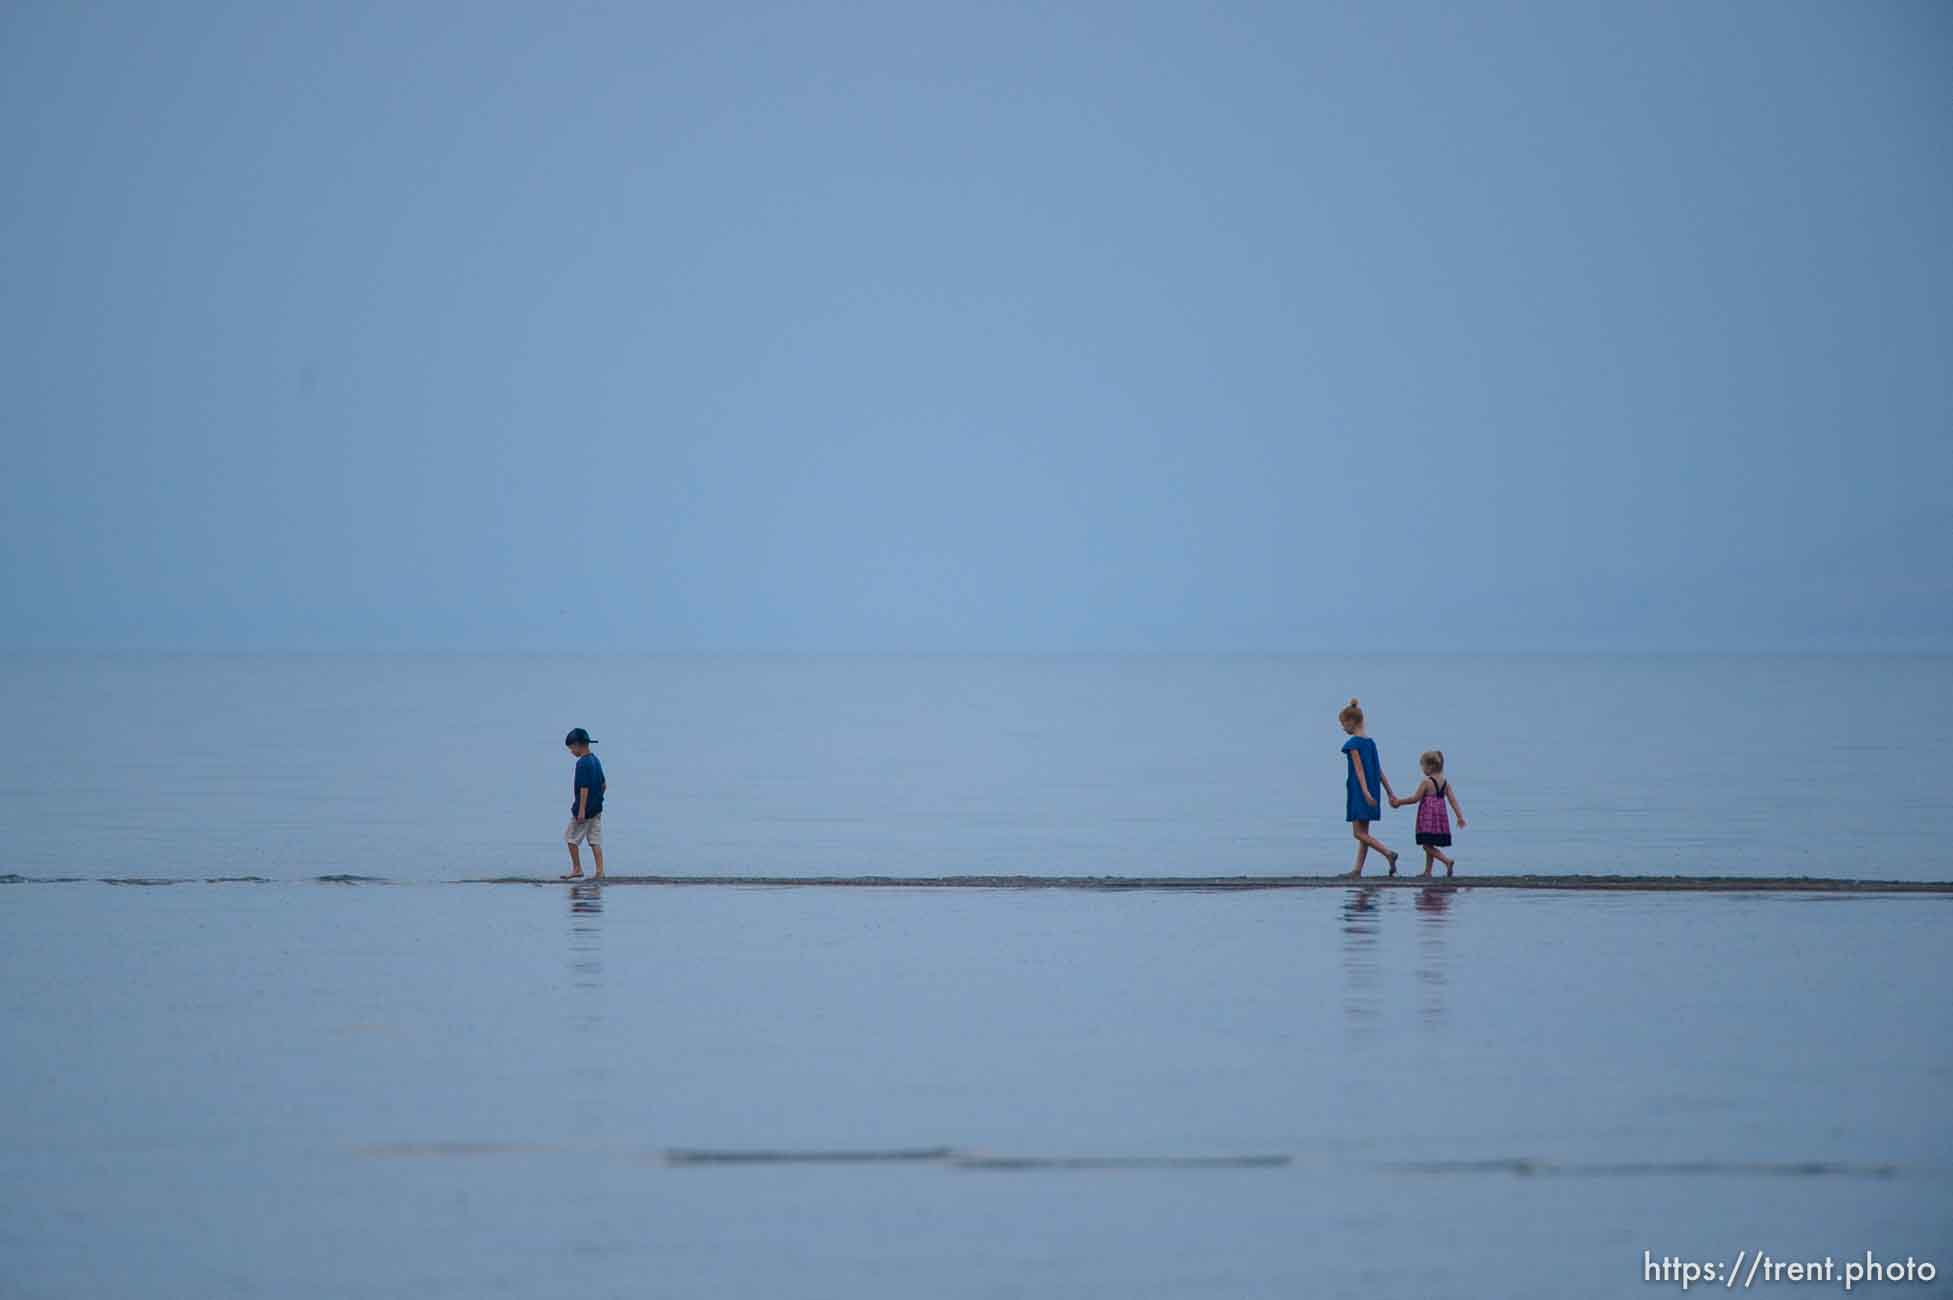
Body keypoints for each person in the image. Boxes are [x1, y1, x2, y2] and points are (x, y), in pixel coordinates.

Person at [1339, 698, 1399, 877]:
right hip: (1373, 789)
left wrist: (1364, 793)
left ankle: (1388, 853)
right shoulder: (1371, 743)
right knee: (1364, 833)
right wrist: (1389, 792)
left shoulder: (1353, 745)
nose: (1343, 728)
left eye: (1343, 724)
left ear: (1352, 722)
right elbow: (1379, 771)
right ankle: (1357, 870)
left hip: (1360, 791)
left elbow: (1359, 771)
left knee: (1358, 833)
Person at [1392, 749, 1467, 877]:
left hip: (1427, 819)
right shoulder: (1445, 783)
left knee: (1427, 846)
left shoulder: (1426, 782)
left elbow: (1415, 798)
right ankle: (1428, 871)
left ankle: (1446, 861)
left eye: (1423, 766)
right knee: (1429, 844)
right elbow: (1452, 800)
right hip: (1439, 820)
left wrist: (1399, 802)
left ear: (1431, 766)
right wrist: (1459, 816)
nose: (1422, 769)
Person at [561, 727, 606, 881]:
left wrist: (581, 810)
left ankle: (577, 868)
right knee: (595, 840)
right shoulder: (595, 760)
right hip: (597, 809)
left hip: (585, 810)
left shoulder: (582, 763)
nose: (571, 752)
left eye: (571, 748)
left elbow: (584, 788)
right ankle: (600, 872)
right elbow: (604, 785)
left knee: (570, 837)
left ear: (578, 745)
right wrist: (598, 800)